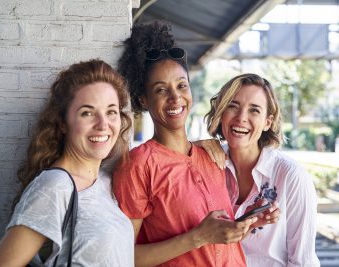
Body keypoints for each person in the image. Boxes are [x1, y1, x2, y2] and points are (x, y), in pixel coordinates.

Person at [112, 21, 267, 267]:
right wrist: (198, 237)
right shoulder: (138, 165)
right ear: (144, 99)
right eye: (161, 90)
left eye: (181, 85)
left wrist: (244, 226)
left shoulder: (212, 157)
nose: (175, 97)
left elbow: (217, 242)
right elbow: (121, 257)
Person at [0, 60, 134, 267]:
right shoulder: (55, 186)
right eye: (87, 113)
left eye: (111, 112)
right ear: (63, 123)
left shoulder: (104, 181)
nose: (103, 125)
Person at [203, 73, 320, 267]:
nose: (241, 118)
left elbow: (303, 262)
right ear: (221, 112)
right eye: (233, 106)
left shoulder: (291, 176)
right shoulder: (205, 166)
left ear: (268, 122)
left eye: (254, 110)